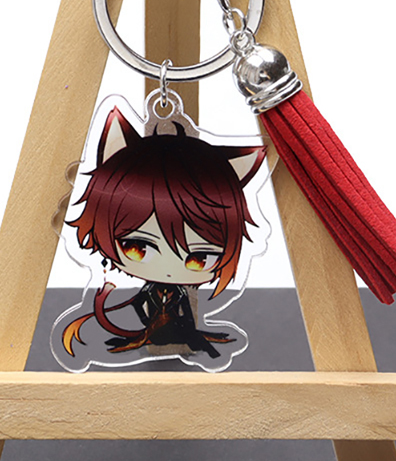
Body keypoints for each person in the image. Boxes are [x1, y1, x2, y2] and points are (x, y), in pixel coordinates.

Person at [62, 106, 265, 359]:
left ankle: (190, 340)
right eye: (137, 248)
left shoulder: (178, 292)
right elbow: (139, 304)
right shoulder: (149, 292)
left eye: (200, 258)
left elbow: (183, 312)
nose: (169, 270)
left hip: (178, 330)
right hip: (154, 330)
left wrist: (189, 330)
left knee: (196, 338)